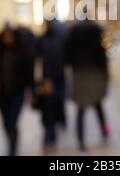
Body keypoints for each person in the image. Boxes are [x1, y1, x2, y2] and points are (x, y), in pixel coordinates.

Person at [0, 27, 33, 156]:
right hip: (1, 94)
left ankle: (13, 148)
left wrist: (33, 91)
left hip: (17, 92)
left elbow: (28, 74)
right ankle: (11, 141)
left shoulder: (21, 53)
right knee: (5, 121)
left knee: (12, 120)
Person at [66, 19, 109, 152]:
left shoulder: (74, 33)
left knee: (81, 110)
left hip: (80, 74)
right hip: (94, 74)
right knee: (98, 106)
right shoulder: (95, 33)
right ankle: (104, 132)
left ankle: (81, 140)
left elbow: (67, 57)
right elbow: (102, 57)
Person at [36, 19, 68, 154]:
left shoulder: (60, 39)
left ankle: (61, 121)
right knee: (48, 109)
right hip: (47, 79)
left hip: (59, 77)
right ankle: (49, 137)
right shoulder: (42, 40)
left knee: (58, 103)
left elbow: (66, 56)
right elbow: (38, 60)